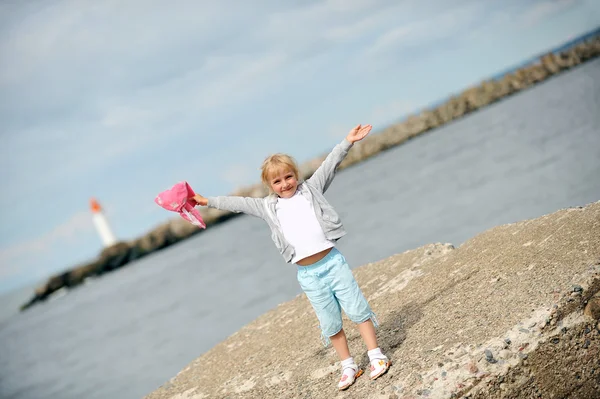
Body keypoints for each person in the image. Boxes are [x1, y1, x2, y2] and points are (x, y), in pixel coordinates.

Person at [190, 124, 390, 390]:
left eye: (288, 177)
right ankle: (348, 365)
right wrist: (206, 201)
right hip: (308, 275)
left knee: (357, 310)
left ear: (296, 175)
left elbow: (331, 164)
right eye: (277, 181)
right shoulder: (267, 207)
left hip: (332, 263)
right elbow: (236, 203)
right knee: (330, 323)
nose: (285, 184)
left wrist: (347, 142)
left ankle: (376, 355)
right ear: (269, 185)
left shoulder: (311, 189)